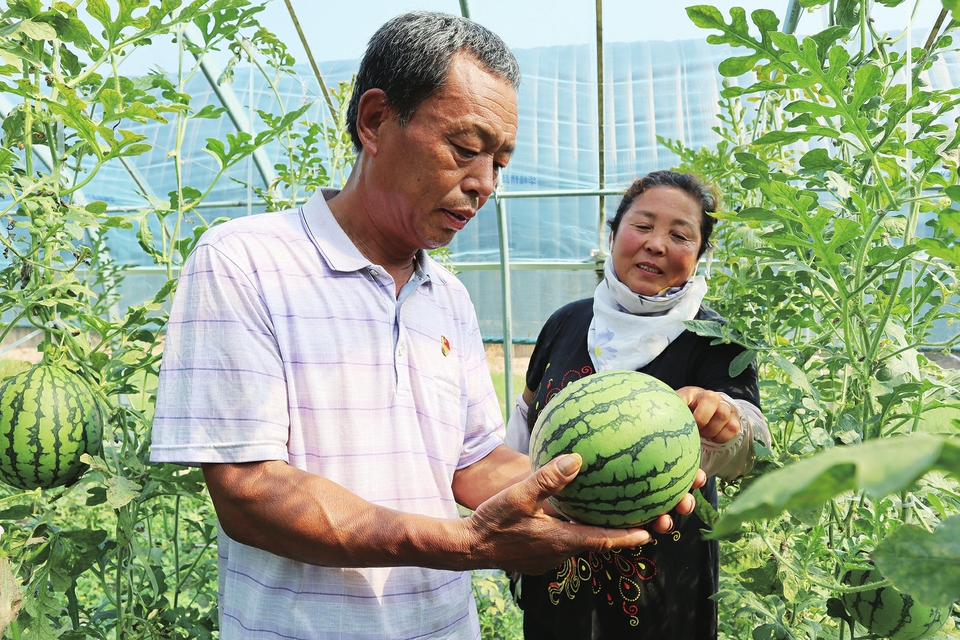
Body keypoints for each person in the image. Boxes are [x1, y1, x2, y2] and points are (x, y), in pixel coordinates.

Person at [150, 13, 704, 640]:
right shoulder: (245, 261)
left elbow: (472, 463)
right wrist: (464, 545)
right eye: (466, 150)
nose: (485, 184)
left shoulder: (450, 298)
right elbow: (248, 493)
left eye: (500, 161)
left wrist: (597, 485)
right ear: (376, 121)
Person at [505, 170, 771, 640]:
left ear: (700, 254)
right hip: (555, 569)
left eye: (680, 235)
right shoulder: (566, 322)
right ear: (612, 234)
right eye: (643, 226)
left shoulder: (717, 339)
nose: (656, 244)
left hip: (664, 585)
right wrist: (516, 513)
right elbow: (527, 418)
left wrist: (727, 421)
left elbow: (750, 446)